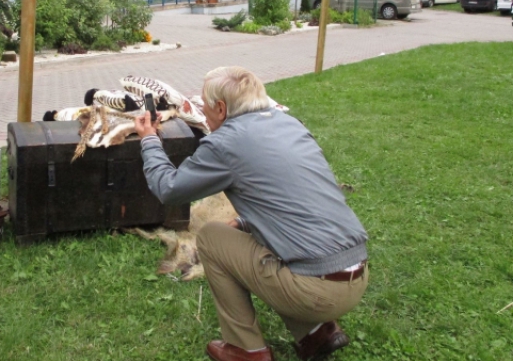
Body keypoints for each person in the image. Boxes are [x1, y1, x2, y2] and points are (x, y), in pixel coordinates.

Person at [134, 67, 369, 361]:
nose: (201, 110)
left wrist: (149, 139)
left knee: (211, 237)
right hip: (356, 274)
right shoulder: (289, 124)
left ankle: (246, 349)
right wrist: (245, 222)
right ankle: (316, 333)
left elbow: (168, 189)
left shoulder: (225, 143)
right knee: (240, 235)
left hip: (315, 291)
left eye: (204, 104)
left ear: (221, 108)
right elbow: (292, 197)